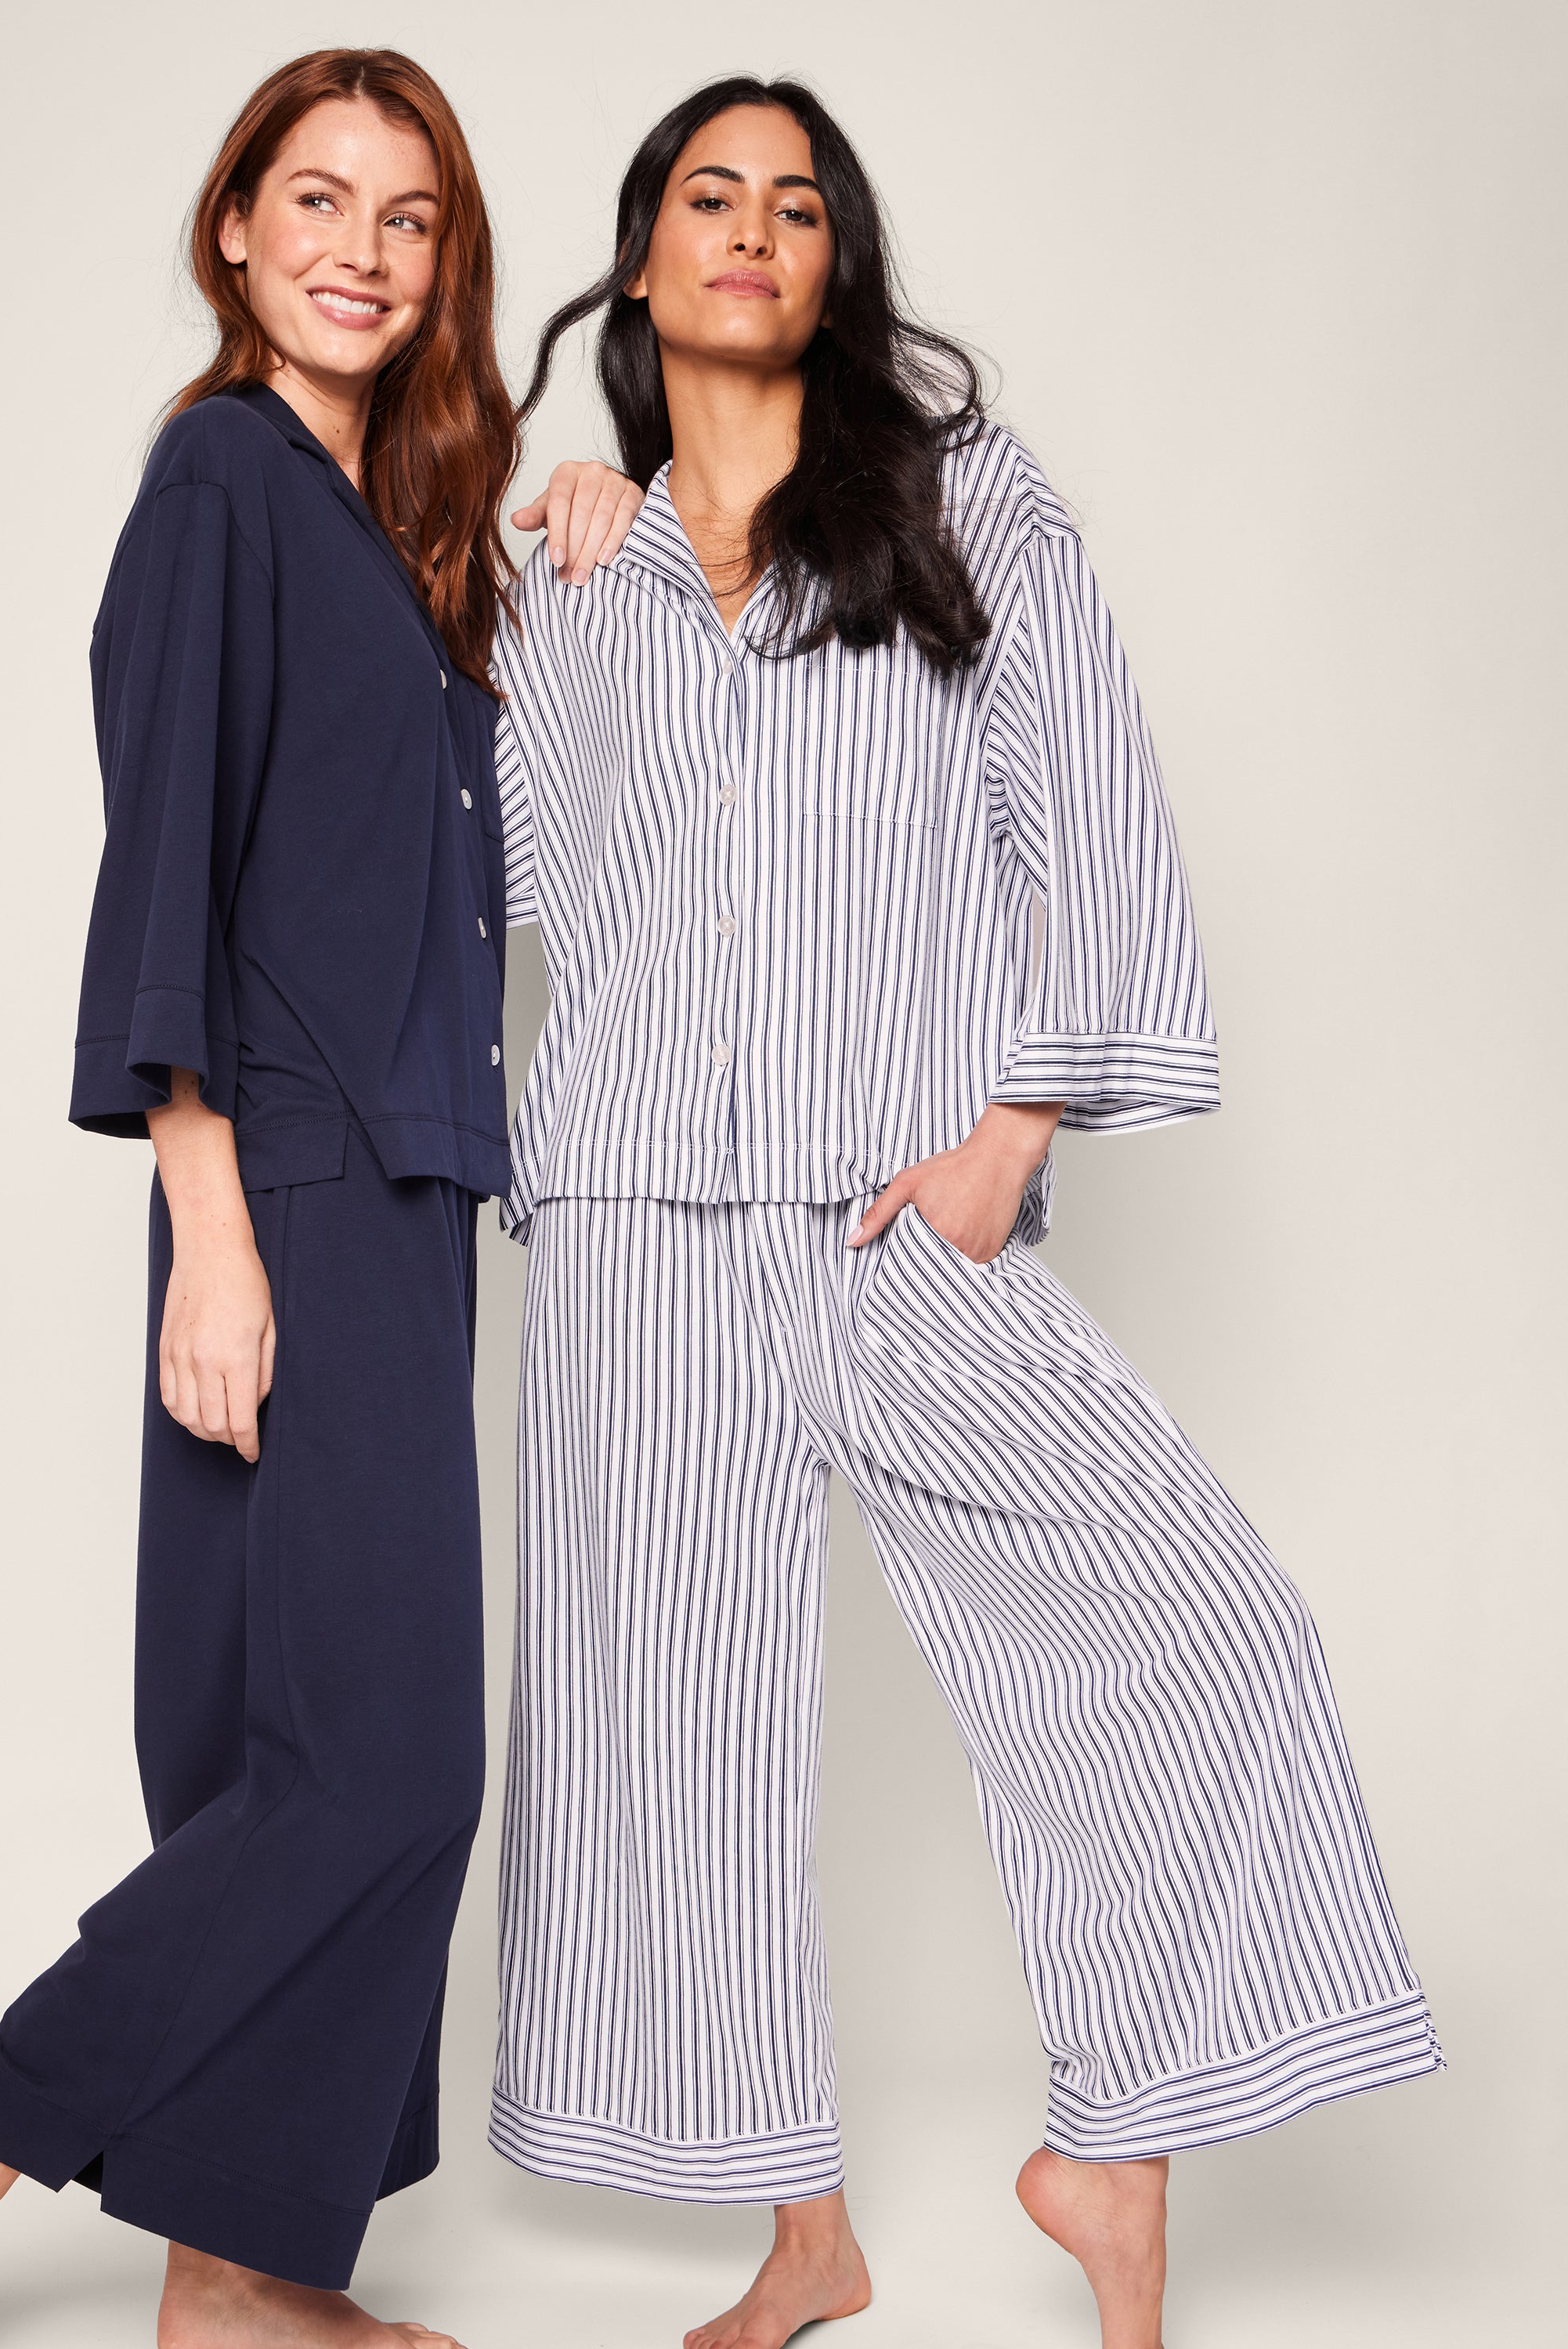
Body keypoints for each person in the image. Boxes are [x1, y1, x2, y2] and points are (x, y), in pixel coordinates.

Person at [489, 75, 1441, 2349]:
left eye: (796, 205)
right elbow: (508, 885)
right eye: (709, 199)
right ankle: (800, 2236)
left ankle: (1110, 2156)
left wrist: (1017, 1124)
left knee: (1208, 1628)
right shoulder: (571, 571)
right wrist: (529, 568)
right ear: (645, 263)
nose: (753, 232)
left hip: (901, 1203)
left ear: (838, 264)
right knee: (669, 1742)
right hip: (633, 1218)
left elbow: (1085, 798)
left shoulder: (959, 501)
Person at [0, 49, 640, 2349]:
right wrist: (207, 1211)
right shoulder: (218, 480)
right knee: (383, 1760)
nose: (361, 248)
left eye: (408, 217)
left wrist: (580, 519)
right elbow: (160, 845)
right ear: (233, 231)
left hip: (402, 1175)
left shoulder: (396, 532)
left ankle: (245, 2279)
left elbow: (513, 829)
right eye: (317, 198)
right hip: (284, 1163)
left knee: (282, 1732)